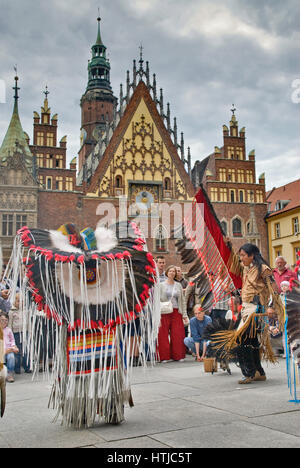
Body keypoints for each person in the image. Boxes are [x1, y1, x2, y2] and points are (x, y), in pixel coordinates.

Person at [158, 265, 189, 362]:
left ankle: (178, 355)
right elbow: (157, 300)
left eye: (174, 271)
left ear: (176, 274)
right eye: (170, 271)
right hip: (164, 311)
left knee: (178, 334)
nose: (172, 273)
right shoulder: (161, 285)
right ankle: (164, 356)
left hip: (176, 311)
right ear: (167, 273)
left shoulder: (178, 285)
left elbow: (182, 300)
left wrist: (184, 315)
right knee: (163, 335)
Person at [8, 294, 31, 374]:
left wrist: (30, 331)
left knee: (26, 350)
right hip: (16, 333)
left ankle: (27, 367)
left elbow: (28, 322)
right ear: (14, 301)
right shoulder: (11, 311)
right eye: (18, 301)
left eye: (22, 301)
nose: (20, 303)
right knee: (17, 351)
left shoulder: (26, 310)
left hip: (25, 332)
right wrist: (10, 334)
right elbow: (10, 323)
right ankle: (17, 368)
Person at [0, 313, 19, 383]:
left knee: (11, 357)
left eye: (6, 320)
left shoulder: (8, 330)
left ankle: (10, 374)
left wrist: (14, 346)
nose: (4, 322)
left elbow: (12, 340)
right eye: (2, 320)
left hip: (9, 349)